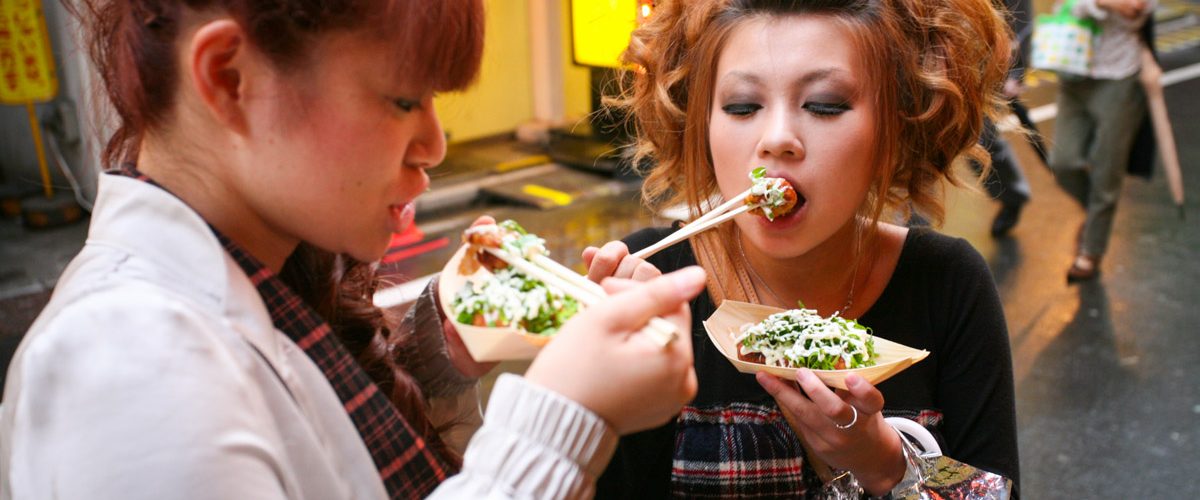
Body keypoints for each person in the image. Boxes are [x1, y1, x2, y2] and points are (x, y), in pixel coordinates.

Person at [0, 1, 706, 498]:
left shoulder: (265, 274)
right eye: (404, 100)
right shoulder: (124, 363)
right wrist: (566, 415)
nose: (434, 144)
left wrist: (437, 354)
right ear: (228, 78)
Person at [583, 0, 1020, 497]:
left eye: (825, 105)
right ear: (701, 123)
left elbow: (995, 489)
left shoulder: (947, 283)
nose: (777, 139)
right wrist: (603, 398)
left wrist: (883, 462)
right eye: (742, 106)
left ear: (894, 126)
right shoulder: (646, 282)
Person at [1049, 0, 1156, 281]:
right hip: (1073, 69)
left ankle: (1091, 251)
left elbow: (1134, 12)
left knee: (1107, 168)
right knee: (1063, 162)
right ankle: (1096, 217)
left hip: (1119, 76)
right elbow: (1062, 6)